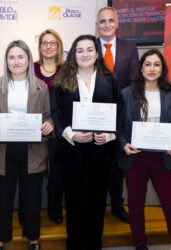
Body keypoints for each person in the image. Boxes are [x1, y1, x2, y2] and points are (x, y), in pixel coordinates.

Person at [51, 34, 122, 250]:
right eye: (80, 50)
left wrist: (109, 135)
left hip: (101, 152)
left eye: (89, 49)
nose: (85, 54)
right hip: (72, 152)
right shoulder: (62, 81)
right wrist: (71, 134)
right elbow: (56, 112)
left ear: (97, 53)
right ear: (73, 54)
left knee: (97, 204)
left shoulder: (110, 81)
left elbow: (120, 112)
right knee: (73, 205)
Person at [0, 40, 53, 250]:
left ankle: (34, 240)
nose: (16, 61)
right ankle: (0, 241)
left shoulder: (41, 87)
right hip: (3, 151)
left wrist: (49, 125)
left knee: (32, 200)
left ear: (29, 60)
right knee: (2, 202)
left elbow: (48, 116)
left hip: (33, 151)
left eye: (20, 56)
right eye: (11, 57)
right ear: (6, 60)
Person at [119, 49, 171, 250]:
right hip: (136, 157)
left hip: (162, 157)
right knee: (136, 204)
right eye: (147, 64)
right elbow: (119, 127)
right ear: (141, 68)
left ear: (162, 68)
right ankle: (140, 245)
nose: (152, 68)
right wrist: (124, 144)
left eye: (156, 64)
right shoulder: (126, 93)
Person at [96, 6, 139, 223]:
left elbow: (133, 82)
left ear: (117, 23)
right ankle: (95, 205)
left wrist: (120, 106)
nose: (106, 25)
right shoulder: (88, 47)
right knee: (95, 162)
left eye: (110, 20)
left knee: (117, 163)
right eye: (102, 21)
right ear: (97, 25)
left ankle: (116, 204)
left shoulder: (130, 48)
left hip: (120, 115)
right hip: (93, 115)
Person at [34, 29, 64, 224]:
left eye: (52, 43)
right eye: (44, 43)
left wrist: (55, 124)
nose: (48, 46)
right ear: (40, 46)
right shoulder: (31, 68)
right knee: (33, 174)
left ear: (59, 46)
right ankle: (29, 211)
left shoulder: (66, 69)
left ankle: (54, 209)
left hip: (58, 130)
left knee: (56, 174)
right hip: (32, 129)